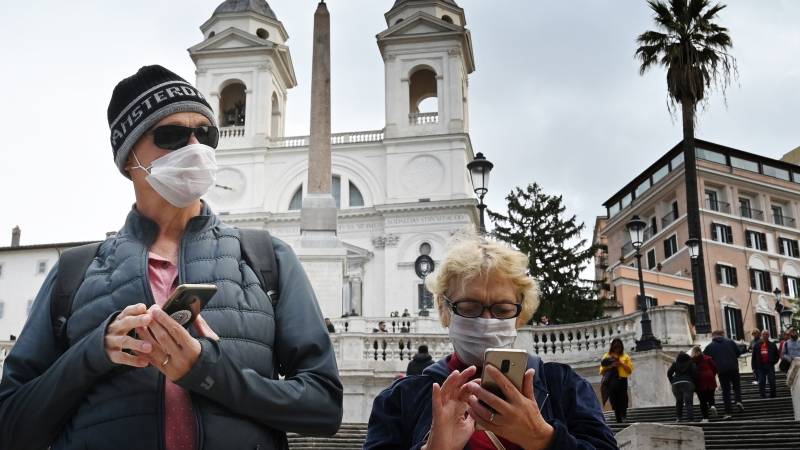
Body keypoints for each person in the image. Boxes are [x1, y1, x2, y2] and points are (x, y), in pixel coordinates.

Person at [0, 65, 343, 449]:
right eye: (172, 135)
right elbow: (11, 425)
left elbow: (324, 407)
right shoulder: (74, 272)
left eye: (205, 134)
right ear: (129, 158)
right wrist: (95, 352)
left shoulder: (267, 258)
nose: (194, 147)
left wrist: (207, 370)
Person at [364, 232, 617, 450]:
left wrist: (544, 438)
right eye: (470, 307)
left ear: (520, 315)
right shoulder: (400, 399)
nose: (486, 320)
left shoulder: (564, 387)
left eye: (502, 310)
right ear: (444, 309)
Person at [704, 329, 745, 419]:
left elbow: (706, 359)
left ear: (714, 336)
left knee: (726, 391)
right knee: (736, 386)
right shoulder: (731, 342)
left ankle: (728, 412)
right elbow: (738, 353)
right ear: (722, 334)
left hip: (721, 370)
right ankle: (738, 401)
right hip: (733, 367)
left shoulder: (710, 346)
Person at [599, 338, 634, 424]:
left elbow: (629, 370)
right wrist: (611, 366)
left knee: (623, 399)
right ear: (612, 347)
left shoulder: (625, 356)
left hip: (622, 380)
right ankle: (618, 417)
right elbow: (602, 371)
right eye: (615, 347)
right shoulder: (606, 356)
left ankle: (623, 415)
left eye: (618, 347)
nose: (617, 349)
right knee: (614, 399)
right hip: (611, 381)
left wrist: (620, 363)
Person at [667, 352, 697, 422]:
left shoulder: (675, 363)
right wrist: (693, 382)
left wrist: (672, 381)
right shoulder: (691, 362)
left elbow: (669, 373)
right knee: (688, 402)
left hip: (676, 383)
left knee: (679, 401)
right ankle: (690, 418)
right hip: (687, 382)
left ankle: (678, 418)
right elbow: (695, 373)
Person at [690, 345, 718, 421]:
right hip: (710, 377)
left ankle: (705, 417)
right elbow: (715, 367)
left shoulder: (692, 360)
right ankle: (712, 405)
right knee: (711, 395)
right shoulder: (708, 358)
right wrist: (712, 375)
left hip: (700, 379)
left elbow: (691, 371)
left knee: (702, 400)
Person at [751, 330, 779, 399]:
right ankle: (762, 395)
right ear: (761, 335)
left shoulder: (773, 344)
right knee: (761, 381)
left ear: (768, 335)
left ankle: (773, 395)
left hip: (769, 365)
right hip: (760, 366)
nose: (765, 336)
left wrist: (773, 362)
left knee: (772, 380)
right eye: (764, 334)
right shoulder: (757, 345)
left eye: (767, 334)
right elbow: (753, 357)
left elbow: (777, 355)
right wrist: (753, 367)